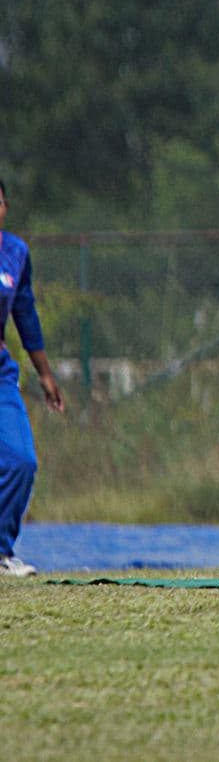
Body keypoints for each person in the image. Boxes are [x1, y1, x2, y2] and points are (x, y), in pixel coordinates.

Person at [0, 176, 67, 578]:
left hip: (2, 373)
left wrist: (45, 375)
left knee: (21, 461)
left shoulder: (15, 253)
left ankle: (1, 552)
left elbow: (25, 314)